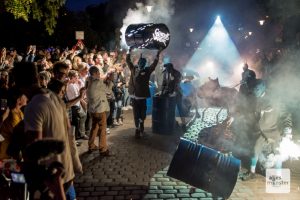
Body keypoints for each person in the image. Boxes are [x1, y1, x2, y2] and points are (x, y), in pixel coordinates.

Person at [241, 80, 293, 181]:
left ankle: (278, 176)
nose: (255, 91)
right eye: (254, 89)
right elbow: (250, 113)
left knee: (277, 152)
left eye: (257, 89)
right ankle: (252, 173)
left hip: (273, 131)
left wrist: (287, 128)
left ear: (263, 88)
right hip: (259, 131)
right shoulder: (253, 99)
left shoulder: (275, 100)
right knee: (255, 150)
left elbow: (286, 114)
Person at [126, 47, 162, 138]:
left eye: (143, 63)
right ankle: (137, 129)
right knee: (136, 114)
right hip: (134, 96)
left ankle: (141, 123)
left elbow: (154, 64)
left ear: (145, 64)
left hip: (142, 96)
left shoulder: (147, 71)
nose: (141, 63)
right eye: (140, 62)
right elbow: (128, 61)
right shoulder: (133, 69)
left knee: (142, 113)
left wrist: (158, 54)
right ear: (138, 63)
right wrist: (128, 51)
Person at [86, 66, 112, 155]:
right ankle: (103, 149)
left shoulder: (88, 81)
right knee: (102, 129)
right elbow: (108, 91)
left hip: (92, 110)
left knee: (94, 128)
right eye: (98, 73)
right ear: (95, 73)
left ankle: (91, 145)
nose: (99, 75)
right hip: (100, 109)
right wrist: (110, 82)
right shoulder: (98, 82)